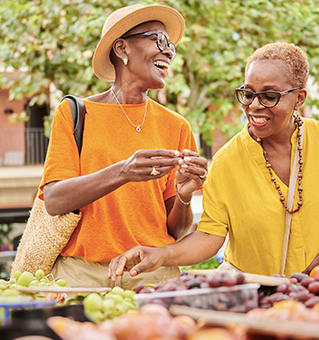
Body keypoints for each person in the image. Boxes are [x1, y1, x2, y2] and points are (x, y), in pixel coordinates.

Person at [108, 42, 319, 281]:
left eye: (269, 96)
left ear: (299, 98)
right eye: (248, 94)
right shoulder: (226, 160)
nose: (254, 106)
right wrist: (160, 255)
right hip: (259, 299)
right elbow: (210, 236)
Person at [40, 3, 208, 289]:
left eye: (171, 46)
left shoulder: (176, 125)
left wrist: (183, 196)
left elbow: (175, 232)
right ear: (121, 49)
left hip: (152, 276)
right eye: (159, 39)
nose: (168, 51)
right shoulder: (75, 113)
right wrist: (124, 171)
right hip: (83, 277)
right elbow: (55, 200)